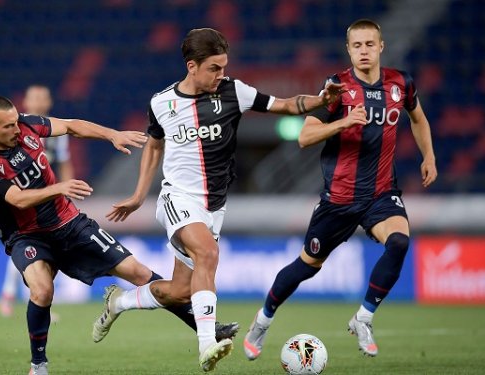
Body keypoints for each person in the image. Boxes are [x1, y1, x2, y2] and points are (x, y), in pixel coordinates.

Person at [94, 28, 344, 372]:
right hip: (178, 198)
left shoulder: (234, 92)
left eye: (224, 67)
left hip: (214, 206)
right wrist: (139, 194)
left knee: (181, 291)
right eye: (214, 68)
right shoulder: (162, 102)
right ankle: (207, 345)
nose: (221, 75)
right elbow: (154, 144)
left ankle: (119, 301)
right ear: (192, 66)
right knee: (208, 253)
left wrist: (321, 100)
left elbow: (284, 105)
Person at [0, 95, 238, 375]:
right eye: (8, 126)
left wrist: (113, 135)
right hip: (28, 236)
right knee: (42, 290)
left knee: (139, 272)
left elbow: (72, 126)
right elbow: (18, 199)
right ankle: (38, 365)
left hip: (70, 224)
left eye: (16, 122)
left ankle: (208, 329)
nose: (16, 128)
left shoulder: (28, 125)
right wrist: (58, 188)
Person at [243, 19, 437, 360]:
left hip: (381, 193)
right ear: (349, 50)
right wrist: (344, 121)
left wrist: (429, 157)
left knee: (400, 241)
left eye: (369, 44)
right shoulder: (336, 88)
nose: (364, 50)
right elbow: (304, 137)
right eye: (357, 45)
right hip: (339, 199)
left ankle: (364, 317)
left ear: (381, 47)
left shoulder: (400, 83)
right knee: (307, 265)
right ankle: (262, 320)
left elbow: (418, 117)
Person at [0, 85, 74, 318]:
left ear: (49, 102)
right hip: (22, 198)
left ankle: (13, 296)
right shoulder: (15, 131)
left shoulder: (55, 131)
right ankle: (22, 297)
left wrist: (67, 191)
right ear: (26, 102)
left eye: (43, 97)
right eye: (35, 98)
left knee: (35, 248)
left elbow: (64, 162)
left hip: (47, 198)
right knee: (29, 245)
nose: (39, 102)